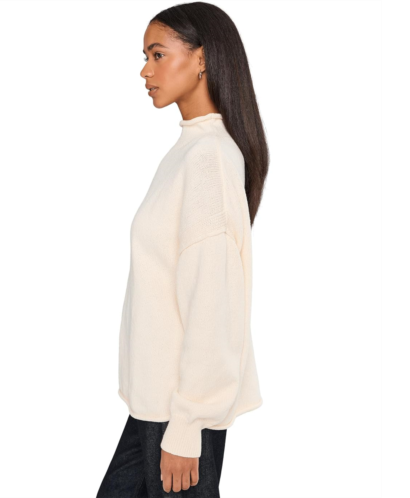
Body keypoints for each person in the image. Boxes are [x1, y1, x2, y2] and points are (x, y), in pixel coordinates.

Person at [96, 2, 269, 496]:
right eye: (145, 57)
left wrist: (188, 424)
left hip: (179, 416)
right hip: (154, 407)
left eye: (158, 54)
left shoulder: (208, 158)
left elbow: (213, 301)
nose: (145, 71)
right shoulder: (190, 151)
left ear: (202, 59)